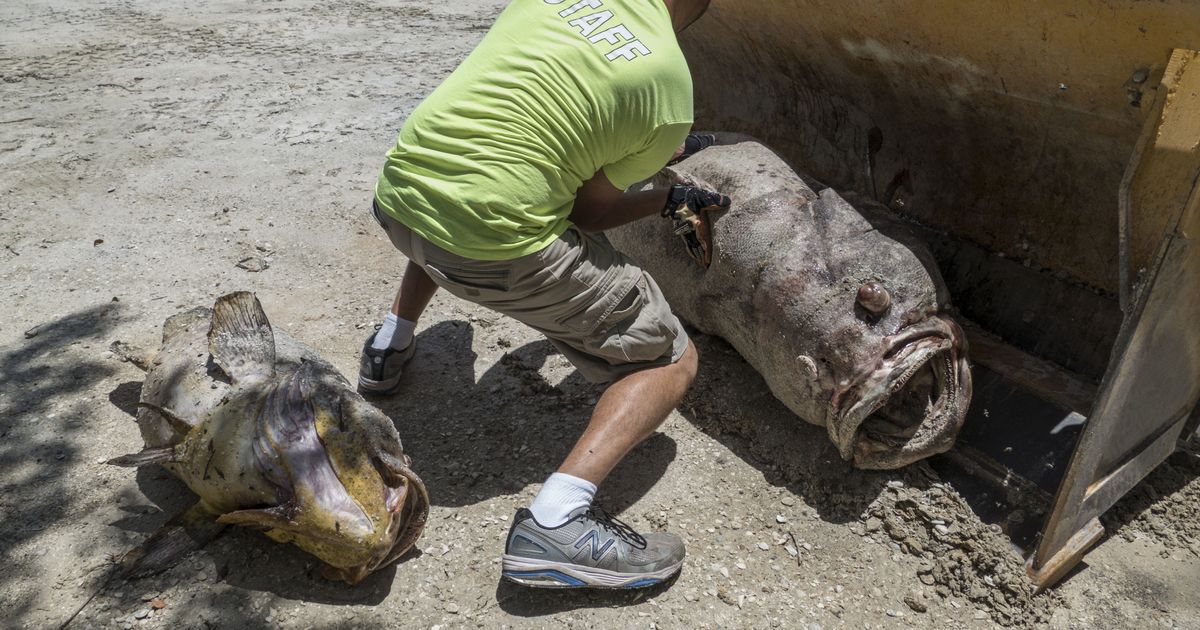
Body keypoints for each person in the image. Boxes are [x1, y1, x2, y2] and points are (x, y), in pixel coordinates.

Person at [361, 0, 728, 589]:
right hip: (486, 245)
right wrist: (665, 195)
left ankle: (388, 344)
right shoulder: (668, 89)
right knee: (669, 358)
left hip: (401, 197)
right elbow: (588, 211)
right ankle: (557, 525)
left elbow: (525, 124)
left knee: (473, 194)